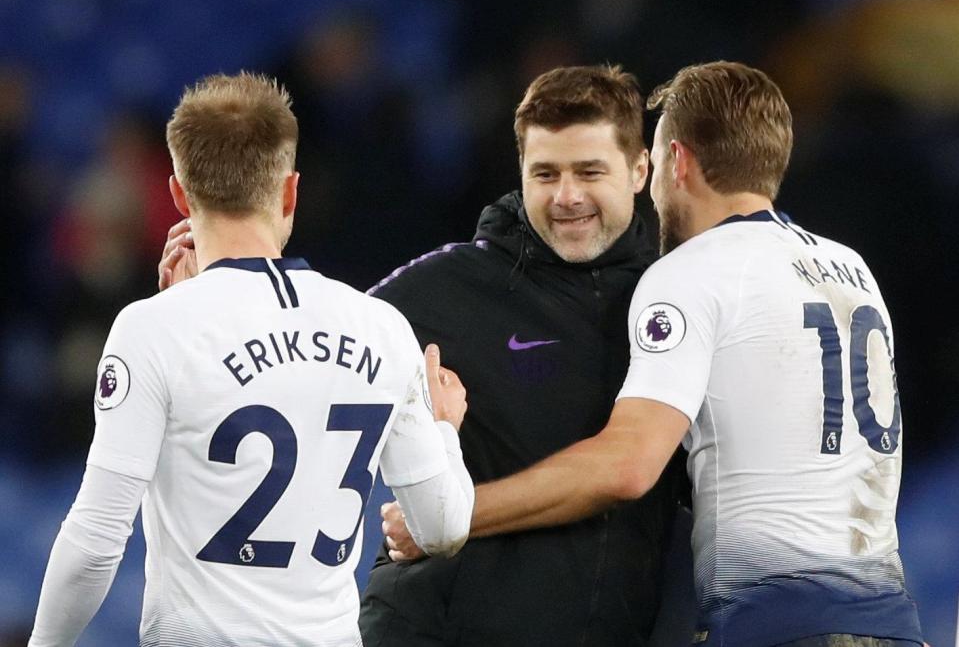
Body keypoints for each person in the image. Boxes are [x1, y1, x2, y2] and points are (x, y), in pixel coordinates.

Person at [159, 65, 695, 646]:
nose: (566, 196)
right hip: (433, 629)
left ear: (641, 169)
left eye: (589, 172)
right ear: (521, 172)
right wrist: (199, 308)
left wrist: (456, 512)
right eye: (545, 174)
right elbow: (293, 355)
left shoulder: (678, 297)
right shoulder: (450, 286)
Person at [393, 61, 922, 646]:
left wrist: (447, 513)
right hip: (890, 621)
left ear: (675, 162)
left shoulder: (691, 272)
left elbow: (627, 465)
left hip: (778, 625)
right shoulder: (850, 268)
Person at [29, 72, 474, 647]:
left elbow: (95, 542)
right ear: (290, 191)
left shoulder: (153, 329)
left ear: (179, 197)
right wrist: (444, 430)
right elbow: (442, 527)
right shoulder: (382, 328)